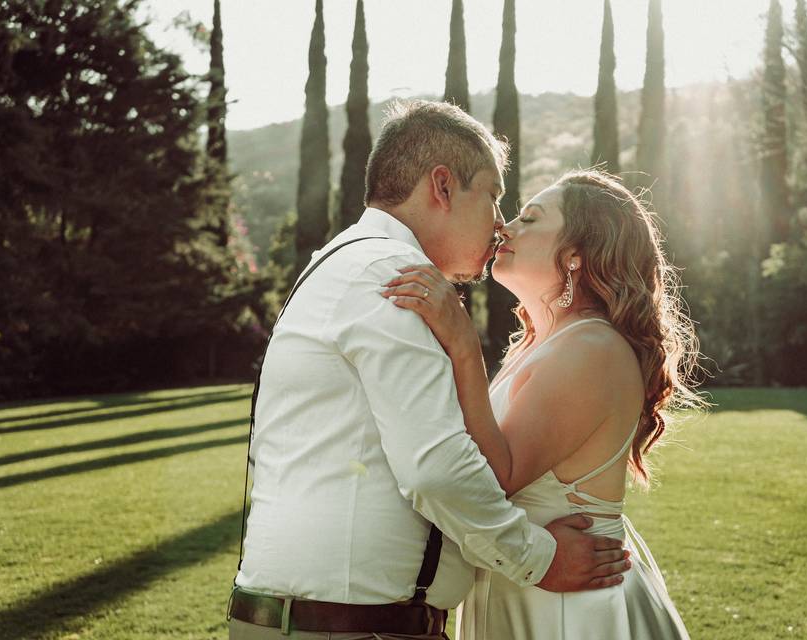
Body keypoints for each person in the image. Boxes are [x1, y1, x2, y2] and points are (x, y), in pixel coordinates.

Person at [227, 102, 630, 640]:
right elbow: (436, 468)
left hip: (336, 620)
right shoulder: (390, 276)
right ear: (442, 186)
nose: (498, 223)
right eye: (492, 194)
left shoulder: (353, 262)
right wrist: (541, 559)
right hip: (345, 626)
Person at [383, 168, 704, 639]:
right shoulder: (548, 344)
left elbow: (496, 477)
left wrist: (462, 342)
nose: (504, 228)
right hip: (531, 588)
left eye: (530, 219)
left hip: (570, 608)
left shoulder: (591, 348)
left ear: (574, 256)